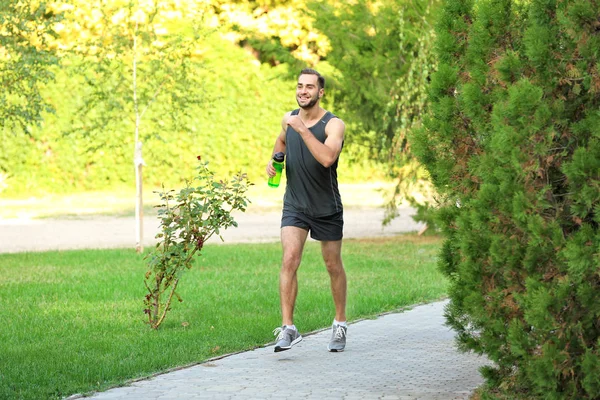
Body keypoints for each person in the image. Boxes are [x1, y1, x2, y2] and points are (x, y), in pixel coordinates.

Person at [265, 68, 348, 353]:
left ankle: (340, 324)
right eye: (300, 86)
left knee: (332, 266)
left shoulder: (333, 125)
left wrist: (302, 130)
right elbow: (281, 142)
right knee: (289, 259)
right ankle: (288, 328)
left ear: (320, 92)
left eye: (309, 87)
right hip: (295, 205)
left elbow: (327, 158)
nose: (303, 91)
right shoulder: (288, 119)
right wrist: (274, 162)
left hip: (326, 207)